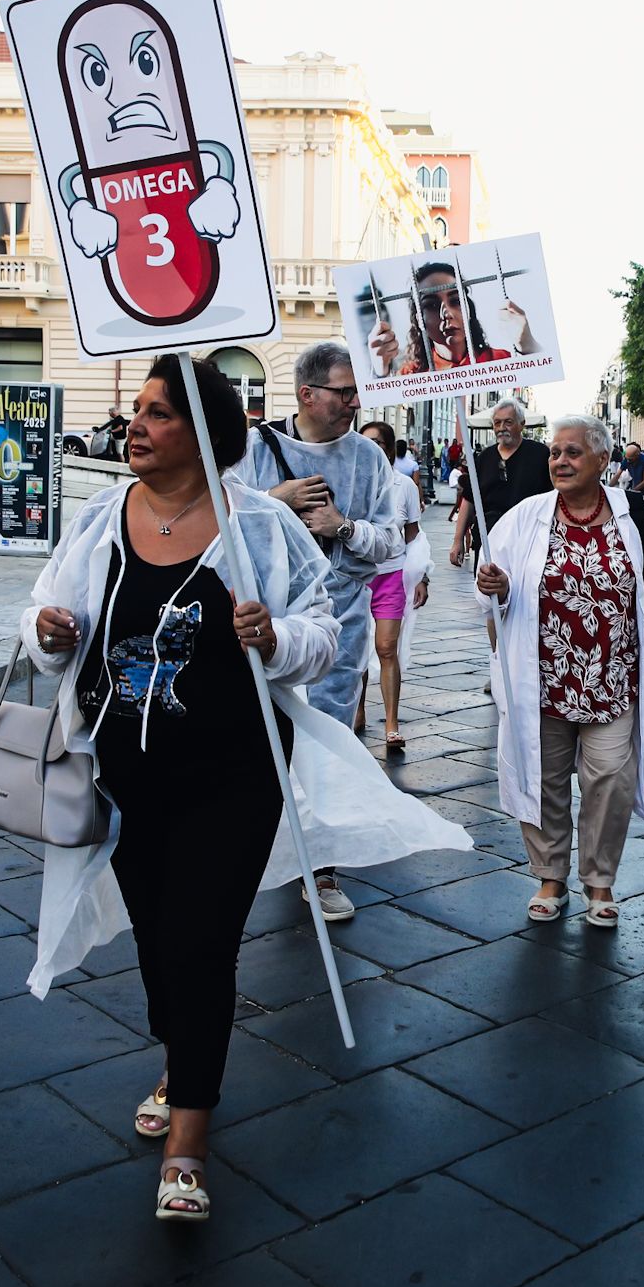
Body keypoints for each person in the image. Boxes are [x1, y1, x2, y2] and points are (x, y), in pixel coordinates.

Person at [21, 356, 466, 1224]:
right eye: (137, 413)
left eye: (156, 414)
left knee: (204, 942)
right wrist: (46, 630)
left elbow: (321, 636)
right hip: (126, 779)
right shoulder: (98, 519)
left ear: (201, 434)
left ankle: (190, 1133)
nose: (135, 427)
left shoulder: (258, 527)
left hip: (233, 777)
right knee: (157, 939)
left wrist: (271, 638)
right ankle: (180, 1052)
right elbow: (48, 621)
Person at [474, 414, 644, 928]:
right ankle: (550, 876)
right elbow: (494, 581)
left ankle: (599, 879)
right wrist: (495, 587)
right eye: (555, 453)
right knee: (543, 780)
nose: (560, 461)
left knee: (611, 778)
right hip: (543, 675)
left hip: (613, 675)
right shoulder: (526, 515)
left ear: (603, 461)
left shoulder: (634, 512)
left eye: (573, 453)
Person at [231, 340, 403, 921]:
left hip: (339, 621)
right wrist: (276, 500)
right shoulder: (253, 449)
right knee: (257, 736)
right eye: (343, 392)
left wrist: (343, 526)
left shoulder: (368, 460)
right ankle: (259, 847)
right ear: (307, 393)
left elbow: (392, 541)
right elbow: (215, 514)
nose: (354, 403)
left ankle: (320, 866)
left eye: (357, 393)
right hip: (259, 620)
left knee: (327, 738)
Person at [357, 421, 431, 753]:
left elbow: (414, 535)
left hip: (391, 574)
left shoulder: (404, 486)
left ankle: (391, 722)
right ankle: (356, 711)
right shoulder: (349, 480)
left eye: (379, 443)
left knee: (387, 648)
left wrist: (422, 576)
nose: (373, 448)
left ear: (390, 448)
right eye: (366, 442)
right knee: (354, 652)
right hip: (354, 576)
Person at [368, 260, 536, 375]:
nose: (446, 313)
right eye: (432, 305)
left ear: (468, 310)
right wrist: (379, 371)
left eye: (455, 301)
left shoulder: (501, 360)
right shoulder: (409, 374)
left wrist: (529, 346)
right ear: (419, 319)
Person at [449, 398, 551, 569]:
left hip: (527, 540)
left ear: (522, 424)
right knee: (487, 590)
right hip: (489, 539)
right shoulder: (484, 458)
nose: (502, 428)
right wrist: (458, 540)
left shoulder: (540, 455)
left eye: (508, 422)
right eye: (497, 423)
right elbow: (469, 500)